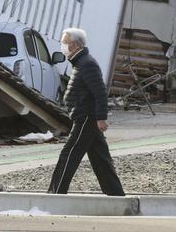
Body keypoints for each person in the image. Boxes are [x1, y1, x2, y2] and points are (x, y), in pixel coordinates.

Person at [48, 27, 125, 196]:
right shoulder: (80, 63)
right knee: (100, 158)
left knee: (69, 154)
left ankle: (56, 193)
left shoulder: (87, 64)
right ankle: (115, 194)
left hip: (86, 118)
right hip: (85, 117)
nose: (62, 46)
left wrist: (101, 118)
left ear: (76, 45)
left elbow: (100, 93)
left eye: (65, 43)